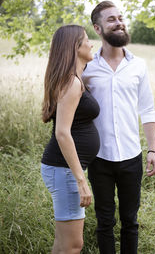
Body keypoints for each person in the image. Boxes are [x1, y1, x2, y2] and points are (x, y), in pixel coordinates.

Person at [82, 1, 155, 254]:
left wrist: (152, 150)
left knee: (131, 222)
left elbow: (147, 109)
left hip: (131, 157)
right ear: (98, 28)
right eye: (111, 19)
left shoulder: (138, 65)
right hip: (99, 158)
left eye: (121, 17)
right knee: (104, 222)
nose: (119, 22)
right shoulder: (87, 67)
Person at [41, 24, 100, 254]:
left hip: (63, 170)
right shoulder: (71, 82)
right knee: (72, 246)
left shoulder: (74, 78)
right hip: (64, 171)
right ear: (75, 47)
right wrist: (81, 180)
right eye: (87, 39)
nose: (91, 43)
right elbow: (62, 133)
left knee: (64, 244)